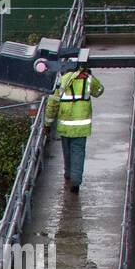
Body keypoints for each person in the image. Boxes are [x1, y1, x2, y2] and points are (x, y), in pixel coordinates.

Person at [45, 61, 104, 193]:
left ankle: (68, 174)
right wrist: (91, 75)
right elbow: (99, 91)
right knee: (78, 152)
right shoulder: (87, 79)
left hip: (65, 125)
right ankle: (75, 182)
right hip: (82, 126)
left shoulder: (61, 82)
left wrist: (48, 124)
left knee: (66, 150)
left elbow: (52, 105)